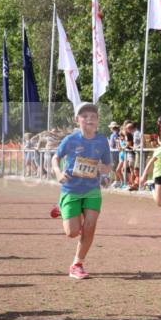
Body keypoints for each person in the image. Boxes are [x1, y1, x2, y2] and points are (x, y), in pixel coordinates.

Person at [52, 103, 112, 279]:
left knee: (90, 227)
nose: (89, 119)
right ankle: (62, 207)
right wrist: (58, 173)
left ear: (98, 120)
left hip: (92, 189)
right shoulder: (70, 140)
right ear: (77, 120)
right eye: (84, 116)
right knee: (72, 232)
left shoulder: (102, 141)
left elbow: (108, 165)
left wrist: (104, 169)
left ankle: (77, 264)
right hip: (71, 188)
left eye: (93, 116)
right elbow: (56, 158)